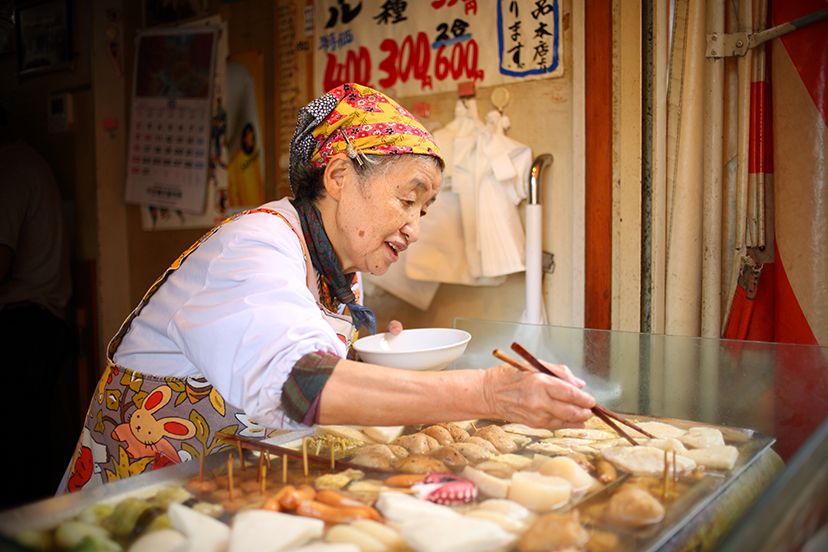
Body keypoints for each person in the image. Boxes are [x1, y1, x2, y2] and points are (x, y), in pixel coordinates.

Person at [59, 83, 595, 494]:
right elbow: (299, 386)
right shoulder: (255, 246)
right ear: (338, 176)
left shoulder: (341, 270)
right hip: (134, 503)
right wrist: (489, 394)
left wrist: (372, 361)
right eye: (407, 200)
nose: (415, 225)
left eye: (425, 209)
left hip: (222, 491)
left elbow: (305, 364)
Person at [0, 102, 74, 507]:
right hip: (41, 324)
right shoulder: (26, 160)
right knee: (30, 452)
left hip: (25, 326)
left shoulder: (11, 168)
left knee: (16, 459)